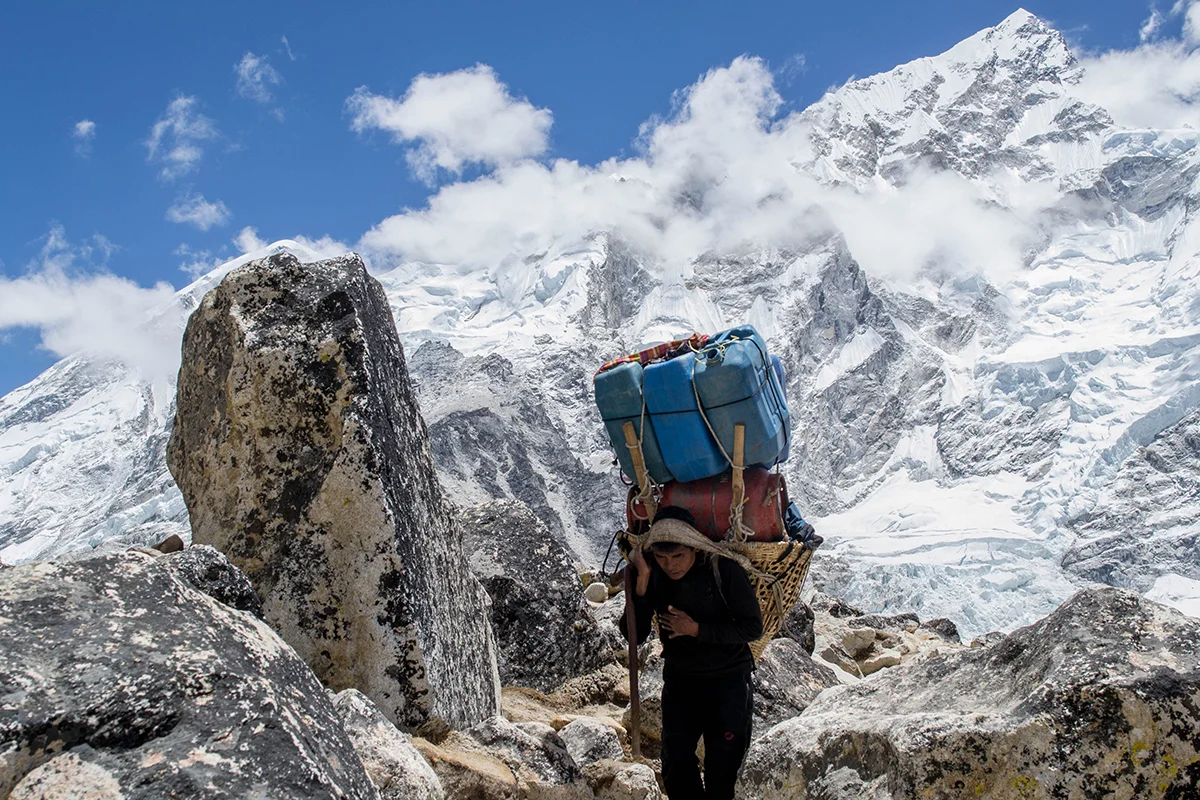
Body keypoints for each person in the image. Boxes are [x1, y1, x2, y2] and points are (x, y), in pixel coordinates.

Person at [620, 506, 763, 800]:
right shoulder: (654, 574)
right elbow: (633, 635)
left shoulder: (724, 569)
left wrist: (697, 629)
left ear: (695, 548)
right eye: (661, 557)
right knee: (676, 765)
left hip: (729, 683)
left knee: (723, 771)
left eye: (677, 556)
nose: (670, 565)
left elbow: (752, 628)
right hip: (681, 683)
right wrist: (643, 580)